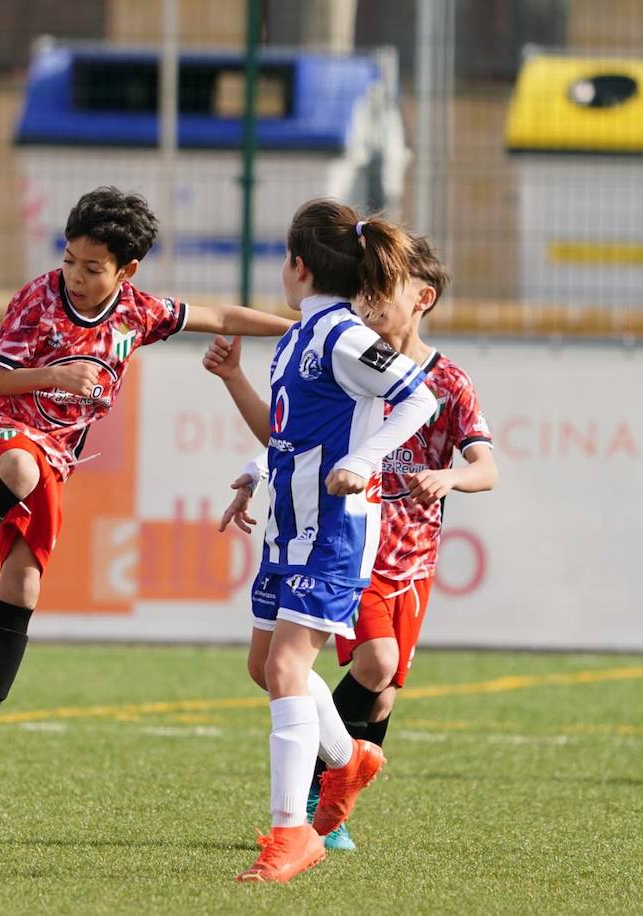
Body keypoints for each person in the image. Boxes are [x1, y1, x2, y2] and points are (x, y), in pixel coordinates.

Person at [0, 186, 294, 786]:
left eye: (92, 268)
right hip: (2, 430)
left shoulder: (140, 311)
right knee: (20, 470)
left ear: (126, 270)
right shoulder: (37, 298)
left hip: (55, 459)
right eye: (69, 261)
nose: (75, 277)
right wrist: (55, 372)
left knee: (25, 583)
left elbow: (222, 316)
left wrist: (302, 328)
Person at [204, 236, 498, 854]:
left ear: (421, 299)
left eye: (379, 291)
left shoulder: (442, 380)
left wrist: (449, 476)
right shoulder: (343, 348)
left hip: (412, 561)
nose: (367, 302)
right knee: (359, 665)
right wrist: (258, 467)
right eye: (362, 289)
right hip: (347, 538)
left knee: (381, 690)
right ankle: (307, 804)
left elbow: (485, 465)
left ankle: (335, 795)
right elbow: (296, 436)